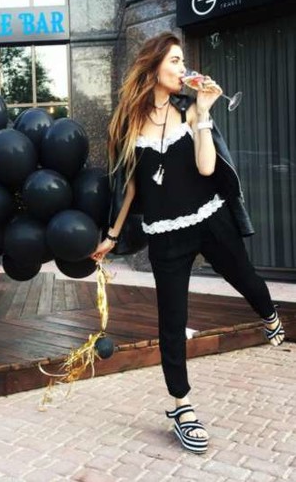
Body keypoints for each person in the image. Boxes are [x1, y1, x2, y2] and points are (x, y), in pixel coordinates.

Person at [91, 32, 285, 454]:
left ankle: (269, 314)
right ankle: (182, 407)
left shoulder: (189, 108)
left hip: (210, 219)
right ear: (154, 67)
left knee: (247, 279)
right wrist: (111, 236)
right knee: (171, 321)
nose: (183, 68)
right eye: (175, 60)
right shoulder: (127, 124)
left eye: (183, 61)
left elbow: (206, 165)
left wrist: (204, 112)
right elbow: (131, 189)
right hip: (165, 234)